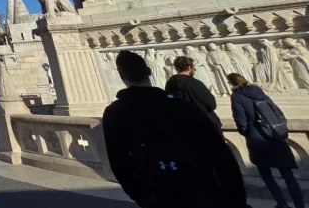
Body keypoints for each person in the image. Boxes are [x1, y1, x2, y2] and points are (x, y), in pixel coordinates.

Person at [102, 50, 245, 208]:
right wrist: (237, 199)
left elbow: (119, 163)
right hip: (200, 189)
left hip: (157, 194)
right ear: (150, 71)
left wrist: (142, 197)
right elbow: (220, 153)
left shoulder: (115, 113)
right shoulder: (182, 105)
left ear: (122, 76)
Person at [228, 73, 304, 208]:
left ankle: (282, 204)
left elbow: (241, 120)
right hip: (276, 135)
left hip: (258, 139)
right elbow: (277, 111)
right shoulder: (259, 91)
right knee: (287, 174)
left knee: (266, 174)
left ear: (231, 83)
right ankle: (300, 205)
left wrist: (246, 132)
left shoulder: (237, 97)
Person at [165, 55, 221, 132]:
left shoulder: (169, 84)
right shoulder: (195, 83)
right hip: (204, 125)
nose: (195, 69)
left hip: (183, 126)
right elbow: (211, 104)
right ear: (188, 67)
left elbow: (170, 100)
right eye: (193, 67)